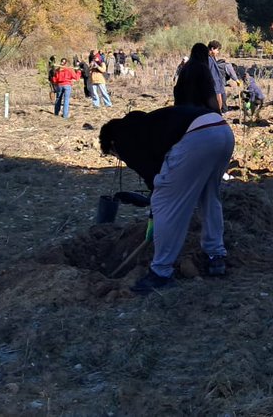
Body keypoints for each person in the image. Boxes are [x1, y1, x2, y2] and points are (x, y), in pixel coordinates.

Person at [99, 104, 234, 293]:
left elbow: (154, 179)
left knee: (166, 202)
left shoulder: (122, 139)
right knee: (209, 196)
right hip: (222, 130)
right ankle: (215, 255)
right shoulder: (144, 125)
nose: (120, 158)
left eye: (114, 155)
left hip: (197, 137)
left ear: (112, 144)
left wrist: (155, 216)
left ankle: (160, 272)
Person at [174, 43, 220, 112]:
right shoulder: (202, 68)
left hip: (182, 110)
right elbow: (210, 95)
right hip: (198, 113)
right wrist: (217, 113)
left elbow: (177, 90)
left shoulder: (186, 67)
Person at [207, 40, 232, 112]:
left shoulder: (212, 58)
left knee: (222, 100)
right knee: (218, 103)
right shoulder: (208, 59)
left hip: (218, 84)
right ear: (212, 49)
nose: (218, 52)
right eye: (217, 50)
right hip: (214, 86)